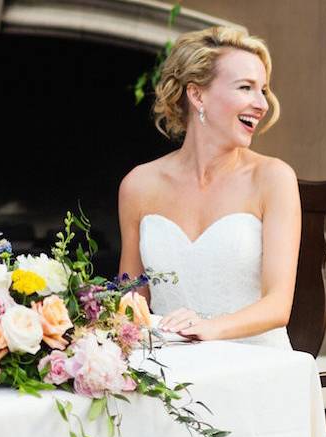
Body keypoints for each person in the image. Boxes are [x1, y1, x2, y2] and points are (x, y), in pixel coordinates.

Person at [118, 26, 299, 349]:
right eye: (246, 88)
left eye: (263, 91)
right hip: (169, 369)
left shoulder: (273, 179)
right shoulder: (138, 185)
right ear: (197, 94)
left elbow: (278, 305)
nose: (262, 104)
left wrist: (209, 329)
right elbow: (131, 299)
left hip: (256, 364)